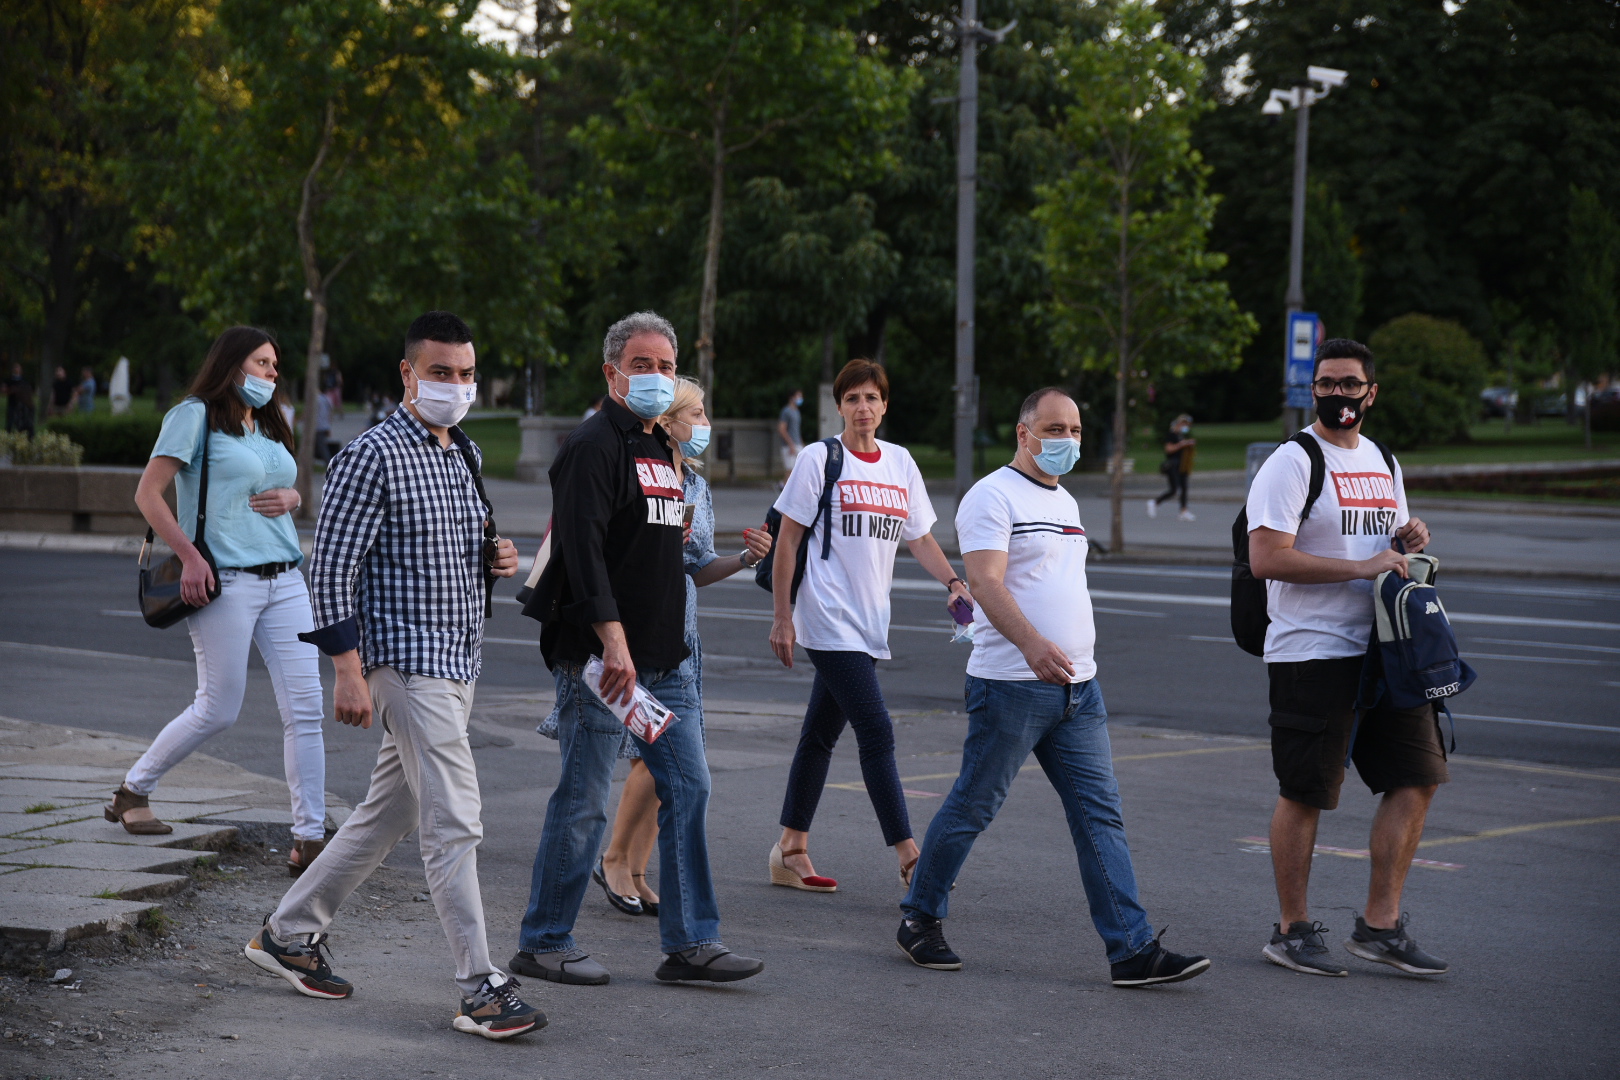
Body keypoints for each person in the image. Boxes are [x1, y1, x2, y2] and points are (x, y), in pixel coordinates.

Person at [243, 311, 543, 1040]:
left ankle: (288, 932)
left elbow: (449, 548)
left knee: (391, 813)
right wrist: (348, 669)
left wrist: (493, 557)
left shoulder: (462, 451)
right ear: (407, 374)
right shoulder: (371, 454)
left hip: (457, 658)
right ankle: (479, 984)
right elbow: (333, 570)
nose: (458, 385)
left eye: (467, 373)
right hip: (404, 664)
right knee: (454, 819)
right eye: (442, 372)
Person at [895, 387, 1212, 988]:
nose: (1066, 439)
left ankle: (1131, 950)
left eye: (1074, 429)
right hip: (1012, 684)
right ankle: (920, 918)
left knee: (1101, 818)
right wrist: (1032, 644)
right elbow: (986, 583)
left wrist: (1068, 656)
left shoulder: (1065, 500)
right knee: (973, 805)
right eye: (1053, 428)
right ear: (1024, 433)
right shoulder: (991, 495)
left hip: (1078, 691)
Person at [516, 311, 765, 987]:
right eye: (641, 365)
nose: (655, 377)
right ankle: (544, 939)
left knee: (688, 787)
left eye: (666, 367)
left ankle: (690, 945)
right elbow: (585, 554)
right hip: (603, 661)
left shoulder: (661, 448)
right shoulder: (594, 445)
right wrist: (615, 641)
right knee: (587, 798)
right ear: (612, 372)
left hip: (665, 660)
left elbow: (670, 558)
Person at [1247, 338, 1448, 978]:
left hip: (1384, 649)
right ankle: (1292, 929)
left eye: (1349, 384)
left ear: (1370, 392)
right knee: (1306, 792)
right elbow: (1267, 558)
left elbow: (1388, 540)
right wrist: (1359, 567)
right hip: (1312, 652)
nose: (1339, 395)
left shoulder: (1383, 460)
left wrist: (1409, 538)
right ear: (1314, 391)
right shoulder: (1292, 461)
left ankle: (1380, 926)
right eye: (1327, 384)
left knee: (1418, 778)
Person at [549, 376, 772, 917]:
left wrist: (745, 560)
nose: (704, 424)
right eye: (694, 412)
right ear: (667, 419)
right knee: (619, 778)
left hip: (679, 640)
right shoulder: (616, 458)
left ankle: (669, 906)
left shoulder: (693, 486)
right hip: (622, 641)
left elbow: (696, 567)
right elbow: (589, 548)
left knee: (681, 776)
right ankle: (594, 886)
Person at [105, 327, 325, 868]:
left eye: (276, 364)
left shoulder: (270, 420)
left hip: (286, 578)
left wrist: (295, 495)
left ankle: (310, 835)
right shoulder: (194, 415)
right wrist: (193, 557)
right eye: (263, 362)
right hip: (225, 581)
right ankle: (134, 789)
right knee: (219, 707)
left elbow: (281, 483)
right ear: (232, 364)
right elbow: (148, 493)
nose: (273, 373)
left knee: (307, 707)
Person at [768, 359, 971, 891]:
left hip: (870, 620)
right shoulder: (819, 459)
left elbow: (920, 537)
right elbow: (788, 540)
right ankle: (910, 858)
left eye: (872, 398)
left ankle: (791, 846)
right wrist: (783, 618)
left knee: (819, 735)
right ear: (839, 405)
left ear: (885, 405)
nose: (863, 408)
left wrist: (954, 582)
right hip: (827, 616)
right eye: (853, 398)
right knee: (876, 731)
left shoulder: (900, 464)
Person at [1147, 414, 1195, 521]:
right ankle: (1154, 502)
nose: (1186, 427)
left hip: (1182, 465)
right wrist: (1181, 444)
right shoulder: (1171, 435)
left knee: (1184, 488)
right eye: (1184, 424)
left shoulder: (1180, 436)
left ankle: (1184, 511)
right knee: (1174, 490)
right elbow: (1168, 449)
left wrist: (1188, 444)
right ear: (1179, 424)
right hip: (1173, 465)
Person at [777, 388, 804, 480]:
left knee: (800, 469)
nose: (800, 398)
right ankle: (784, 488)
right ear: (792, 397)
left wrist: (801, 443)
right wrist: (790, 444)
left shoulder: (797, 412)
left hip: (797, 444)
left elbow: (796, 429)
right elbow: (782, 429)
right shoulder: (786, 411)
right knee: (790, 470)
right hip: (789, 445)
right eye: (798, 396)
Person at [4, 364, 35, 436]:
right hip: (12, 403)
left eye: (18, 368)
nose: (16, 369)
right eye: (15, 368)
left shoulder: (24, 380)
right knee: (10, 421)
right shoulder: (9, 380)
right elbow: (5, 390)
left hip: (22, 403)